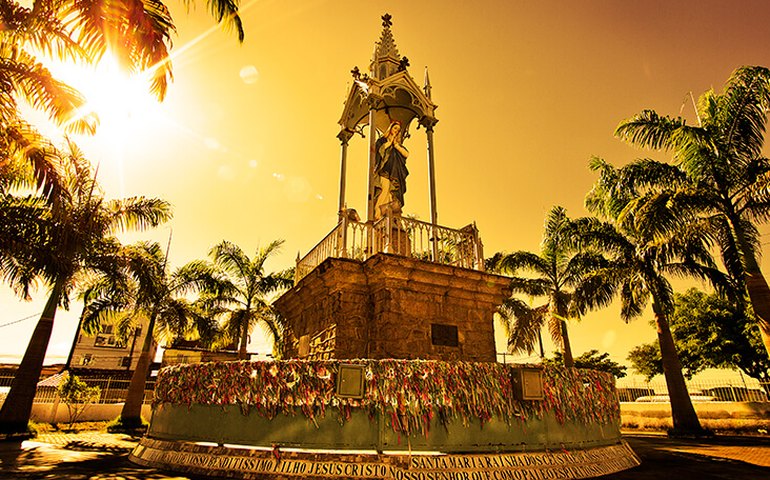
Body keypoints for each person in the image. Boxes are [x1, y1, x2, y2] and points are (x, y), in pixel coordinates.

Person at [373, 120, 409, 217]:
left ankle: (388, 216)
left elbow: (406, 154)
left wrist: (396, 145)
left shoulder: (397, 144)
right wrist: (390, 142)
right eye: (395, 128)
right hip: (384, 172)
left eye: (398, 130)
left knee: (391, 195)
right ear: (390, 128)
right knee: (384, 191)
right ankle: (378, 215)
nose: (396, 131)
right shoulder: (382, 141)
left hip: (395, 174)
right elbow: (380, 150)